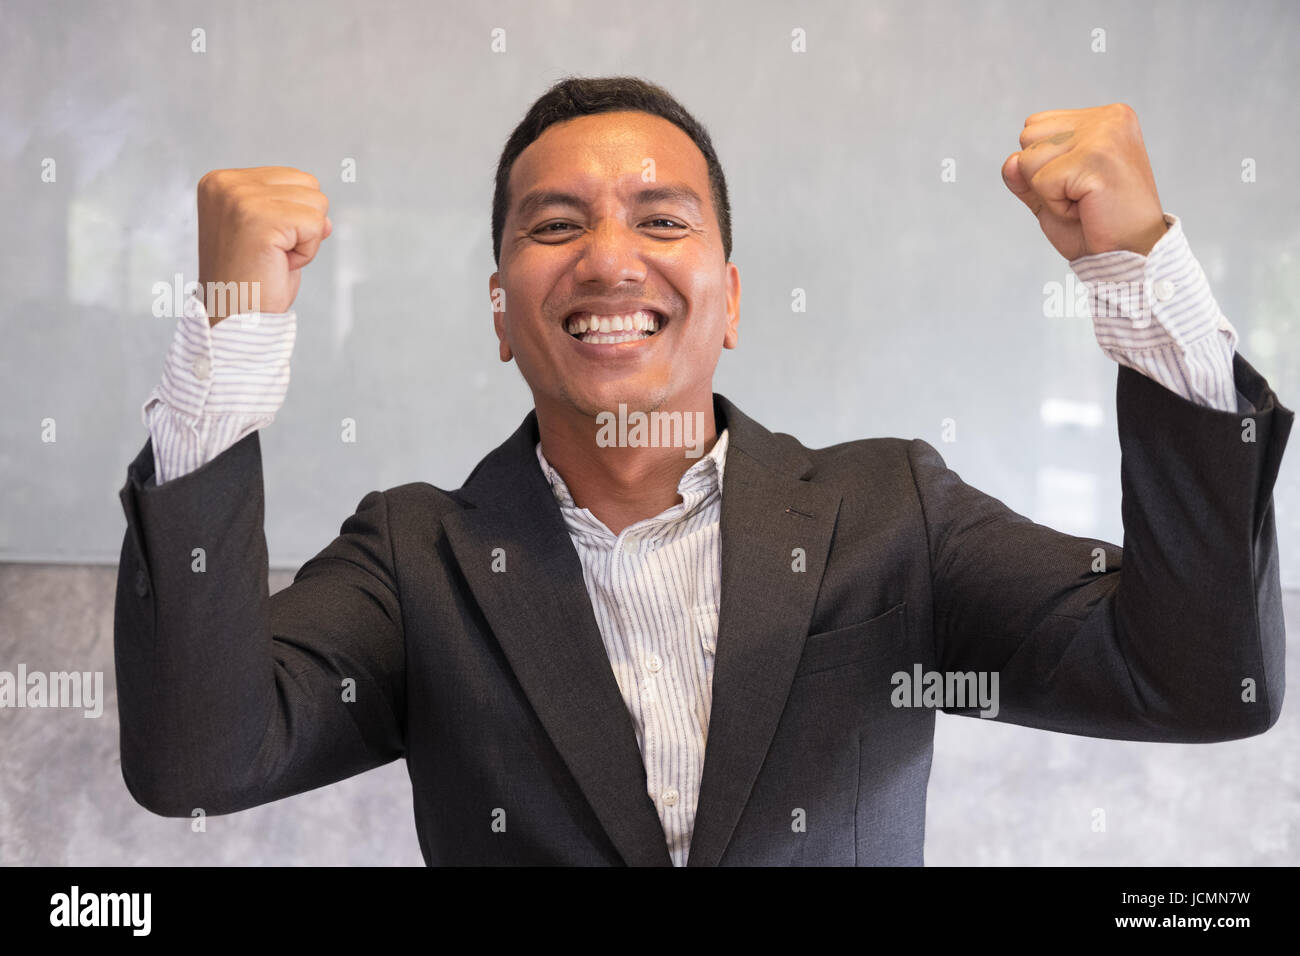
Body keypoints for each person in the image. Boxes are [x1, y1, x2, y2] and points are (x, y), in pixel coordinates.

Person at [114, 76, 1292, 866]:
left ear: (728, 302)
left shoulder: (893, 513)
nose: (610, 258)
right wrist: (230, 344)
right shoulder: (413, 555)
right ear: (500, 310)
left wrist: (1140, 274)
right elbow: (196, 757)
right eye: (554, 224)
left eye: (662, 222)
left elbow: (1198, 683)